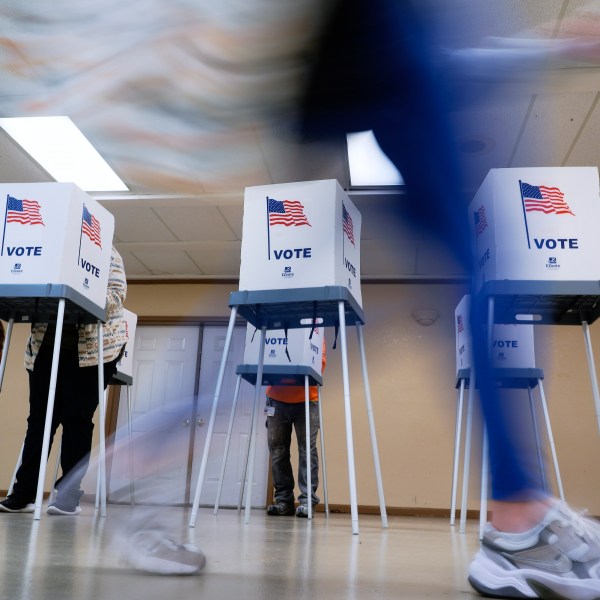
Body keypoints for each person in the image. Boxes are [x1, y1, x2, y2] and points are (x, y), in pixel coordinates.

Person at [298, 1, 600, 598]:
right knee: (479, 285)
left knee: (476, 279)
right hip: (381, 54)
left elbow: (446, 64)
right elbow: (435, 65)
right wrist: (549, 50)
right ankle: (517, 521)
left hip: (384, 59)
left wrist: (550, 49)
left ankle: (518, 514)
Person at [0, 246, 128, 516]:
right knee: (39, 421)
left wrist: (76, 293)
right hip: (47, 346)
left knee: (78, 420)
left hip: (95, 351)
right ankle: (24, 494)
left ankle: (68, 497)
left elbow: (116, 297)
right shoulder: (53, 244)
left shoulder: (107, 252)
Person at [265, 337, 327, 518]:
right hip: (275, 398)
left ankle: (307, 501)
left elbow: (320, 362)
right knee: (277, 450)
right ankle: (284, 501)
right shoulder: (275, 329)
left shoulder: (314, 329)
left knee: (307, 450)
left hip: (308, 398)